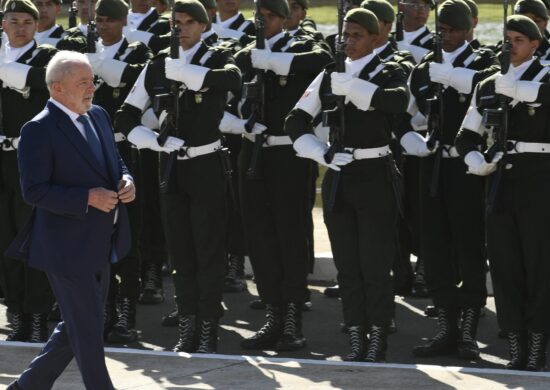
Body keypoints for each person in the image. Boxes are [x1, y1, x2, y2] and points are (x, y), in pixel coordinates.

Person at [115, 0, 241, 353]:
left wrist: (184, 73)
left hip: (208, 166)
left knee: (208, 250)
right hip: (171, 165)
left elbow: (234, 80)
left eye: (188, 22)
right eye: (176, 23)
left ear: (204, 25)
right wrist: (155, 142)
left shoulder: (217, 58)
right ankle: (187, 324)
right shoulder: (157, 66)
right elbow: (125, 117)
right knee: (181, 250)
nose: (181, 28)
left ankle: (208, 327)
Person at [6, 50, 135, 390]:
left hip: (101, 240)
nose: (92, 87)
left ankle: (28, 386)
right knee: (88, 328)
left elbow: (115, 160)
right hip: (64, 247)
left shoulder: (100, 115)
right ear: (58, 89)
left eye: (92, 80)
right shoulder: (38, 129)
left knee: (78, 324)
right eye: (83, 82)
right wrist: (87, 197)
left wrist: (126, 180)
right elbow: (34, 191)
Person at [285, 7, 408, 361]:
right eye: (345, 34)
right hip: (340, 175)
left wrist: (354, 87)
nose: (348, 41)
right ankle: (356, 334)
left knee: (375, 265)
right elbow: (295, 120)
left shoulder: (389, 70)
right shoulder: (329, 73)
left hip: (376, 177)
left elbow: (397, 102)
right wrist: (319, 153)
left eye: (357, 35)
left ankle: (378, 337)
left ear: (375, 38)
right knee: (349, 267)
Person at [400, 0, 498, 360]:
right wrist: (408, 138)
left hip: (467, 169)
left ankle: (469, 329)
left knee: (470, 247)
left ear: (469, 29)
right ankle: (446, 327)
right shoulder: (426, 67)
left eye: (454, 31)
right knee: (434, 247)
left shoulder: (484, 63)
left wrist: (455, 77)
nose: (448, 37)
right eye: (443, 31)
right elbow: (404, 111)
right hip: (433, 165)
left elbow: (494, 87)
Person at [232, 0, 331, 352]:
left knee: (289, 235)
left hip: (289, 153)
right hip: (254, 151)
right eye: (260, 15)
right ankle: (273, 315)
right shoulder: (245, 53)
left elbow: (325, 61)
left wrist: (274, 62)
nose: (264, 21)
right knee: (259, 237)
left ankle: (292, 319)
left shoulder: (303, 46)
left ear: (286, 17)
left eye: (271, 15)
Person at [456, 14, 550, 371]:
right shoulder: (489, 84)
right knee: (506, 266)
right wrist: (475, 158)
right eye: (507, 38)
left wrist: (509, 84)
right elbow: (466, 134)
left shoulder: (546, 79)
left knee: (539, 266)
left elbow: (539, 95)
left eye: (519, 40)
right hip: (500, 183)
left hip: (541, 182)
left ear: (535, 45)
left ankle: (539, 342)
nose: (510, 45)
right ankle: (516, 342)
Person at [89, 0, 153, 343]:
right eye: (98, 19)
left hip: (124, 146)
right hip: (89, 149)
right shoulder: (82, 44)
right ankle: (105, 306)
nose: (102, 25)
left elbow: (132, 78)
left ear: (125, 21)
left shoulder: (137, 49)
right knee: (96, 233)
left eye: (110, 19)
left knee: (127, 232)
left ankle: (126, 309)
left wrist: (96, 64)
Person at [0, 0, 58, 343]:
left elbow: (45, 82)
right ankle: (16, 309)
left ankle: (37, 313)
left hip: (31, 160)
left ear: (36, 26)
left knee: (32, 238)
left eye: (27, 21)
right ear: (3, 24)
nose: (21, 27)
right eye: (13, 21)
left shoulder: (48, 56)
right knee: (5, 238)